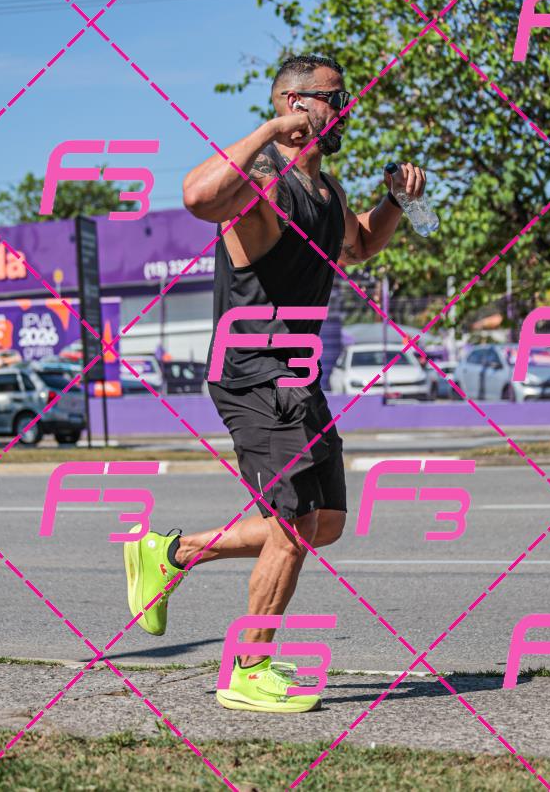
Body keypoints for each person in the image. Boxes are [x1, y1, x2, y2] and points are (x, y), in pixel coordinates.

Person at [123, 54, 426, 713]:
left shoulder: (327, 193)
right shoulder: (263, 183)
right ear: (296, 104)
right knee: (293, 523)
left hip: (297, 375)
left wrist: (395, 202)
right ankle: (247, 670)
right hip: (253, 371)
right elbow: (197, 196)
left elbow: (359, 245)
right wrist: (267, 131)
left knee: (325, 523)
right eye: (334, 99)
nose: (345, 110)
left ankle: (172, 554)